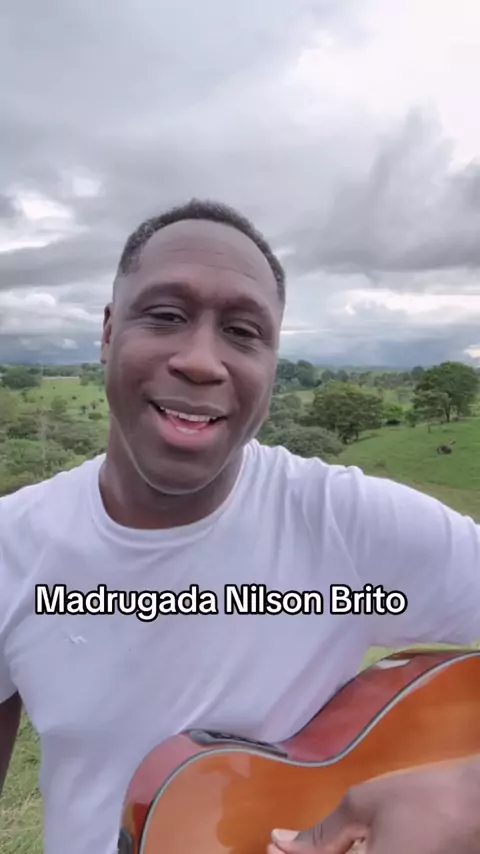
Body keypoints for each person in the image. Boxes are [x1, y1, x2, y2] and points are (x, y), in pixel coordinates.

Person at [0, 199, 479, 854]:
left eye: (244, 331)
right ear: (109, 332)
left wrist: (465, 794)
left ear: (273, 365)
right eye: (165, 315)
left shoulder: (348, 523)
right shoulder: (12, 545)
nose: (201, 361)